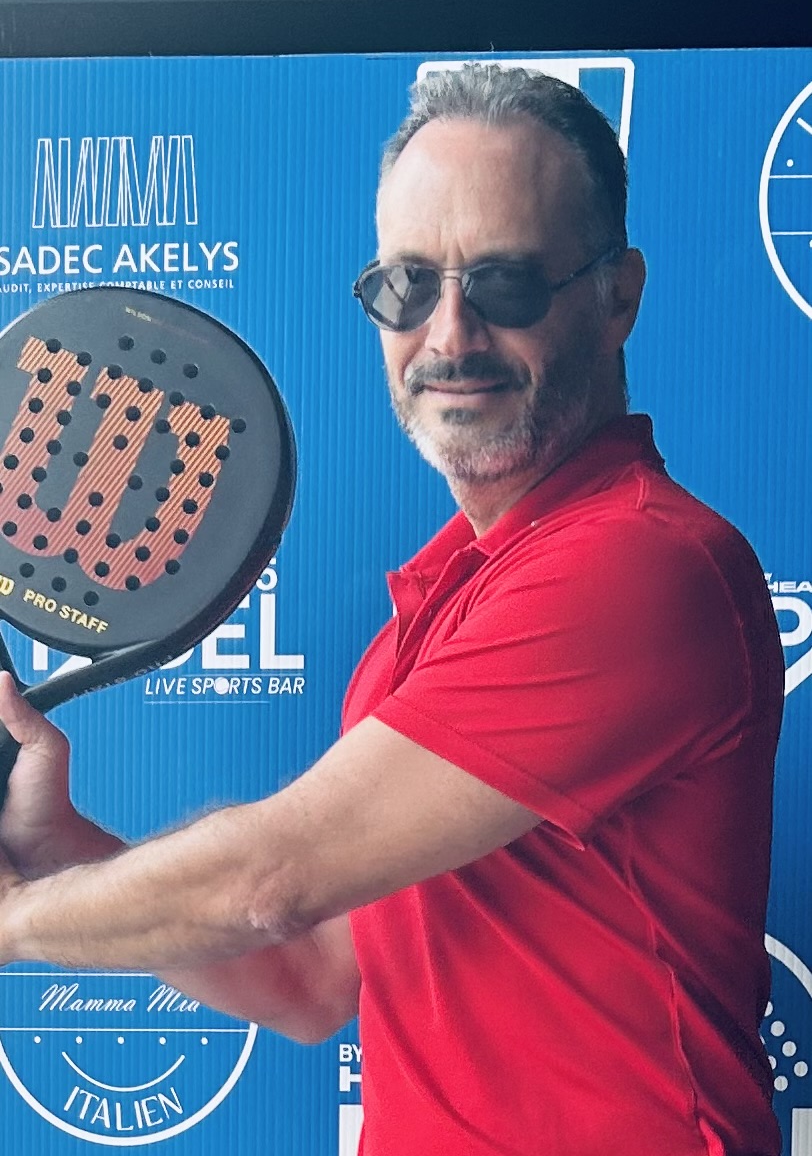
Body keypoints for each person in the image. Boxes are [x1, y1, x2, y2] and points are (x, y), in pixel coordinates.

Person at [0, 64, 784, 1156]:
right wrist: (55, 851)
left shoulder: (642, 566)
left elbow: (271, 881)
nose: (449, 335)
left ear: (617, 297)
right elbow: (310, 977)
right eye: (407, 286)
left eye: (505, 283)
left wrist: (13, 922)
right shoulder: (438, 609)